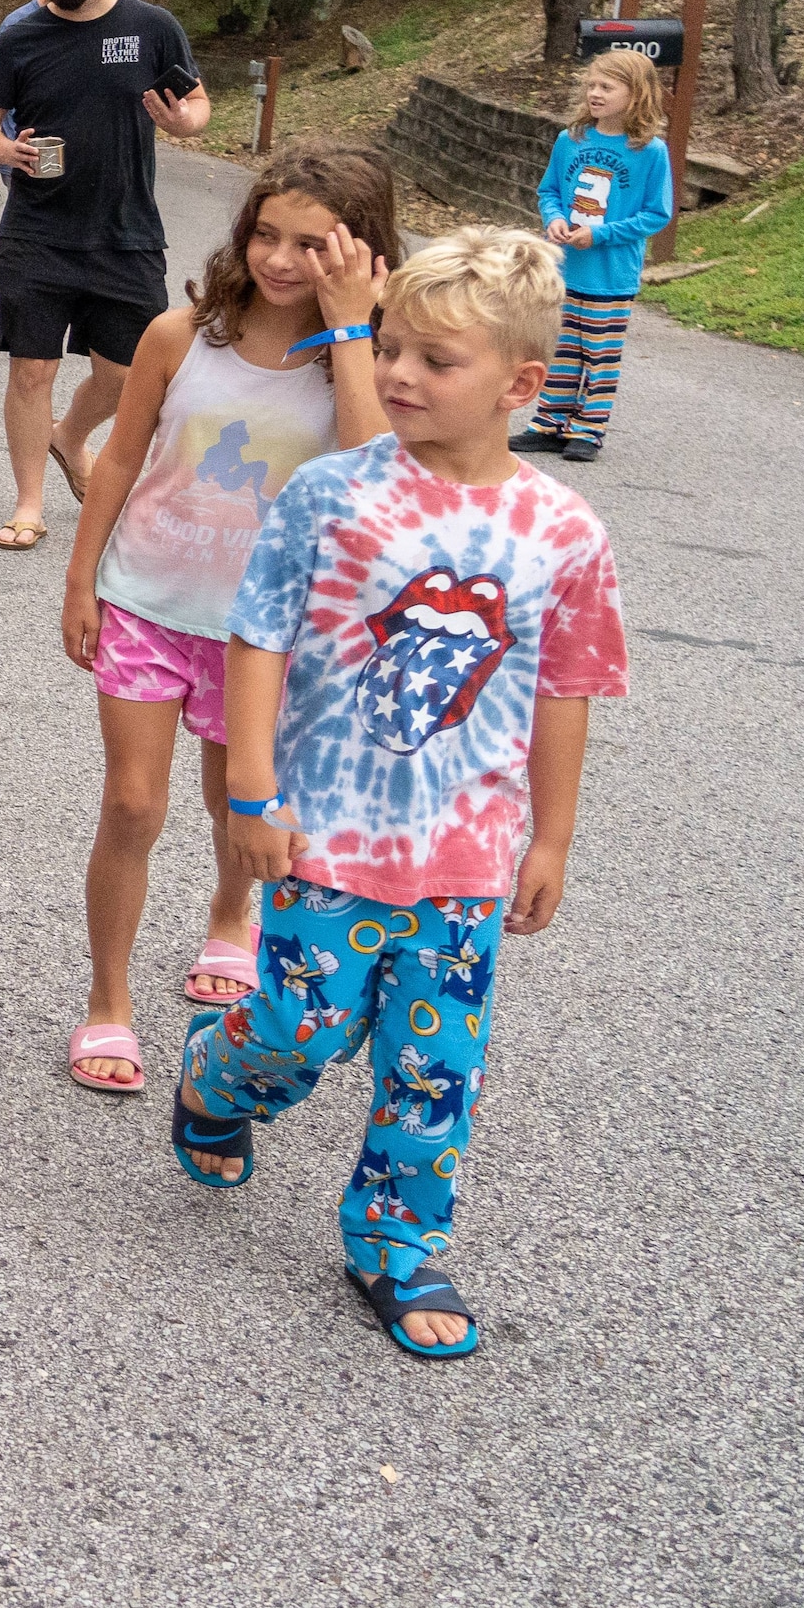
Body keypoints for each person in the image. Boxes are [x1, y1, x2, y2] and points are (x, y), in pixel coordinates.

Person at [171, 228, 628, 1362]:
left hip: (466, 853)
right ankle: (217, 1074)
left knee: (434, 1067)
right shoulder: (333, 492)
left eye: (437, 359)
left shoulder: (564, 531)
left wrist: (552, 838)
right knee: (298, 1023)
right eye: (392, 347)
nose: (401, 375)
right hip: (324, 824)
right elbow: (260, 629)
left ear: (522, 384)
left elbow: (567, 686)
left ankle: (395, 1238)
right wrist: (250, 784)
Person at [54, 143, 395, 1096]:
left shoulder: (361, 364)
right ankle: (108, 1001)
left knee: (232, 803)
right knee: (132, 803)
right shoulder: (180, 335)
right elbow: (118, 460)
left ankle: (229, 916)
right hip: (148, 600)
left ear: (361, 254)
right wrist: (82, 580)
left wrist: (351, 332)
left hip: (270, 633)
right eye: (266, 236)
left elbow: (378, 477)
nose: (281, 261)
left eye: (311, 246)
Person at [0, 0, 212, 554]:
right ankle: (28, 503)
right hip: (37, 232)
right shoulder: (21, 37)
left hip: (127, 230)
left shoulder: (151, 26)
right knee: (30, 370)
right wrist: (6, 150)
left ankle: (70, 435)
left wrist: (184, 124)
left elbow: (198, 101)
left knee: (130, 374)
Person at [516, 48, 675, 466]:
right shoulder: (571, 140)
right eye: (591, 85)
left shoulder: (651, 151)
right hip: (566, 271)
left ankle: (588, 430)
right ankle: (549, 424)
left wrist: (600, 235)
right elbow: (549, 191)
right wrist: (553, 220)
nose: (595, 93)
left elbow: (656, 214)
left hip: (611, 274)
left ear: (636, 93)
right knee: (562, 349)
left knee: (599, 355)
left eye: (607, 86)